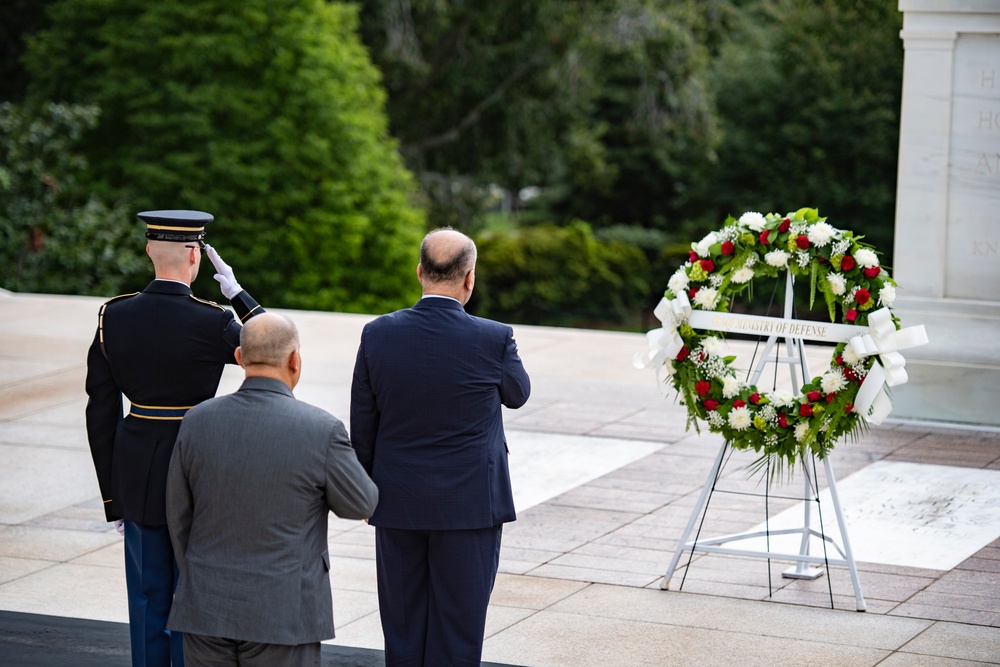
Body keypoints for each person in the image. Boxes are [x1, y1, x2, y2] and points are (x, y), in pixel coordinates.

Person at [85, 210, 263, 667]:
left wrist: (113, 497)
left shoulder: (113, 316)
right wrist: (238, 294)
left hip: (138, 469)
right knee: (195, 597)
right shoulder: (213, 321)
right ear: (195, 256)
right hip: (199, 467)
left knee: (148, 601)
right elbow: (278, 355)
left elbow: (100, 413)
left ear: (148, 250)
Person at [350, 227, 531, 666]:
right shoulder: (494, 337)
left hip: (397, 501)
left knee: (403, 626)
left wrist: (371, 492)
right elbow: (518, 393)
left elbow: (363, 427)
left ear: (420, 273)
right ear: (469, 279)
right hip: (470, 507)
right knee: (459, 629)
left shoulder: (378, 334)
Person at [165, 313, 378, 667]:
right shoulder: (320, 429)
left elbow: (178, 515)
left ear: (239, 357)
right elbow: (362, 501)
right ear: (295, 359)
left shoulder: (196, 421)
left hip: (205, 607)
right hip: (284, 613)